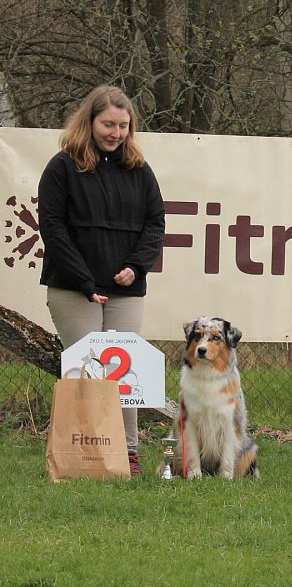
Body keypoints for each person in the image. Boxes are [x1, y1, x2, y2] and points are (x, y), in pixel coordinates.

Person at [38, 85, 165, 476]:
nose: (116, 133)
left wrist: (137, 266)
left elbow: (154, 224)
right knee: (88, 374)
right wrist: (84, 280)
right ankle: (84, 454)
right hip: (74, 290)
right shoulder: (62, 167)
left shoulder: (140, 171)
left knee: (125, 376)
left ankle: (126, 454)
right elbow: (53, 229)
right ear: (89, 122)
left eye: (123, 126)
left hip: (126, 291)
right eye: (108, 124)